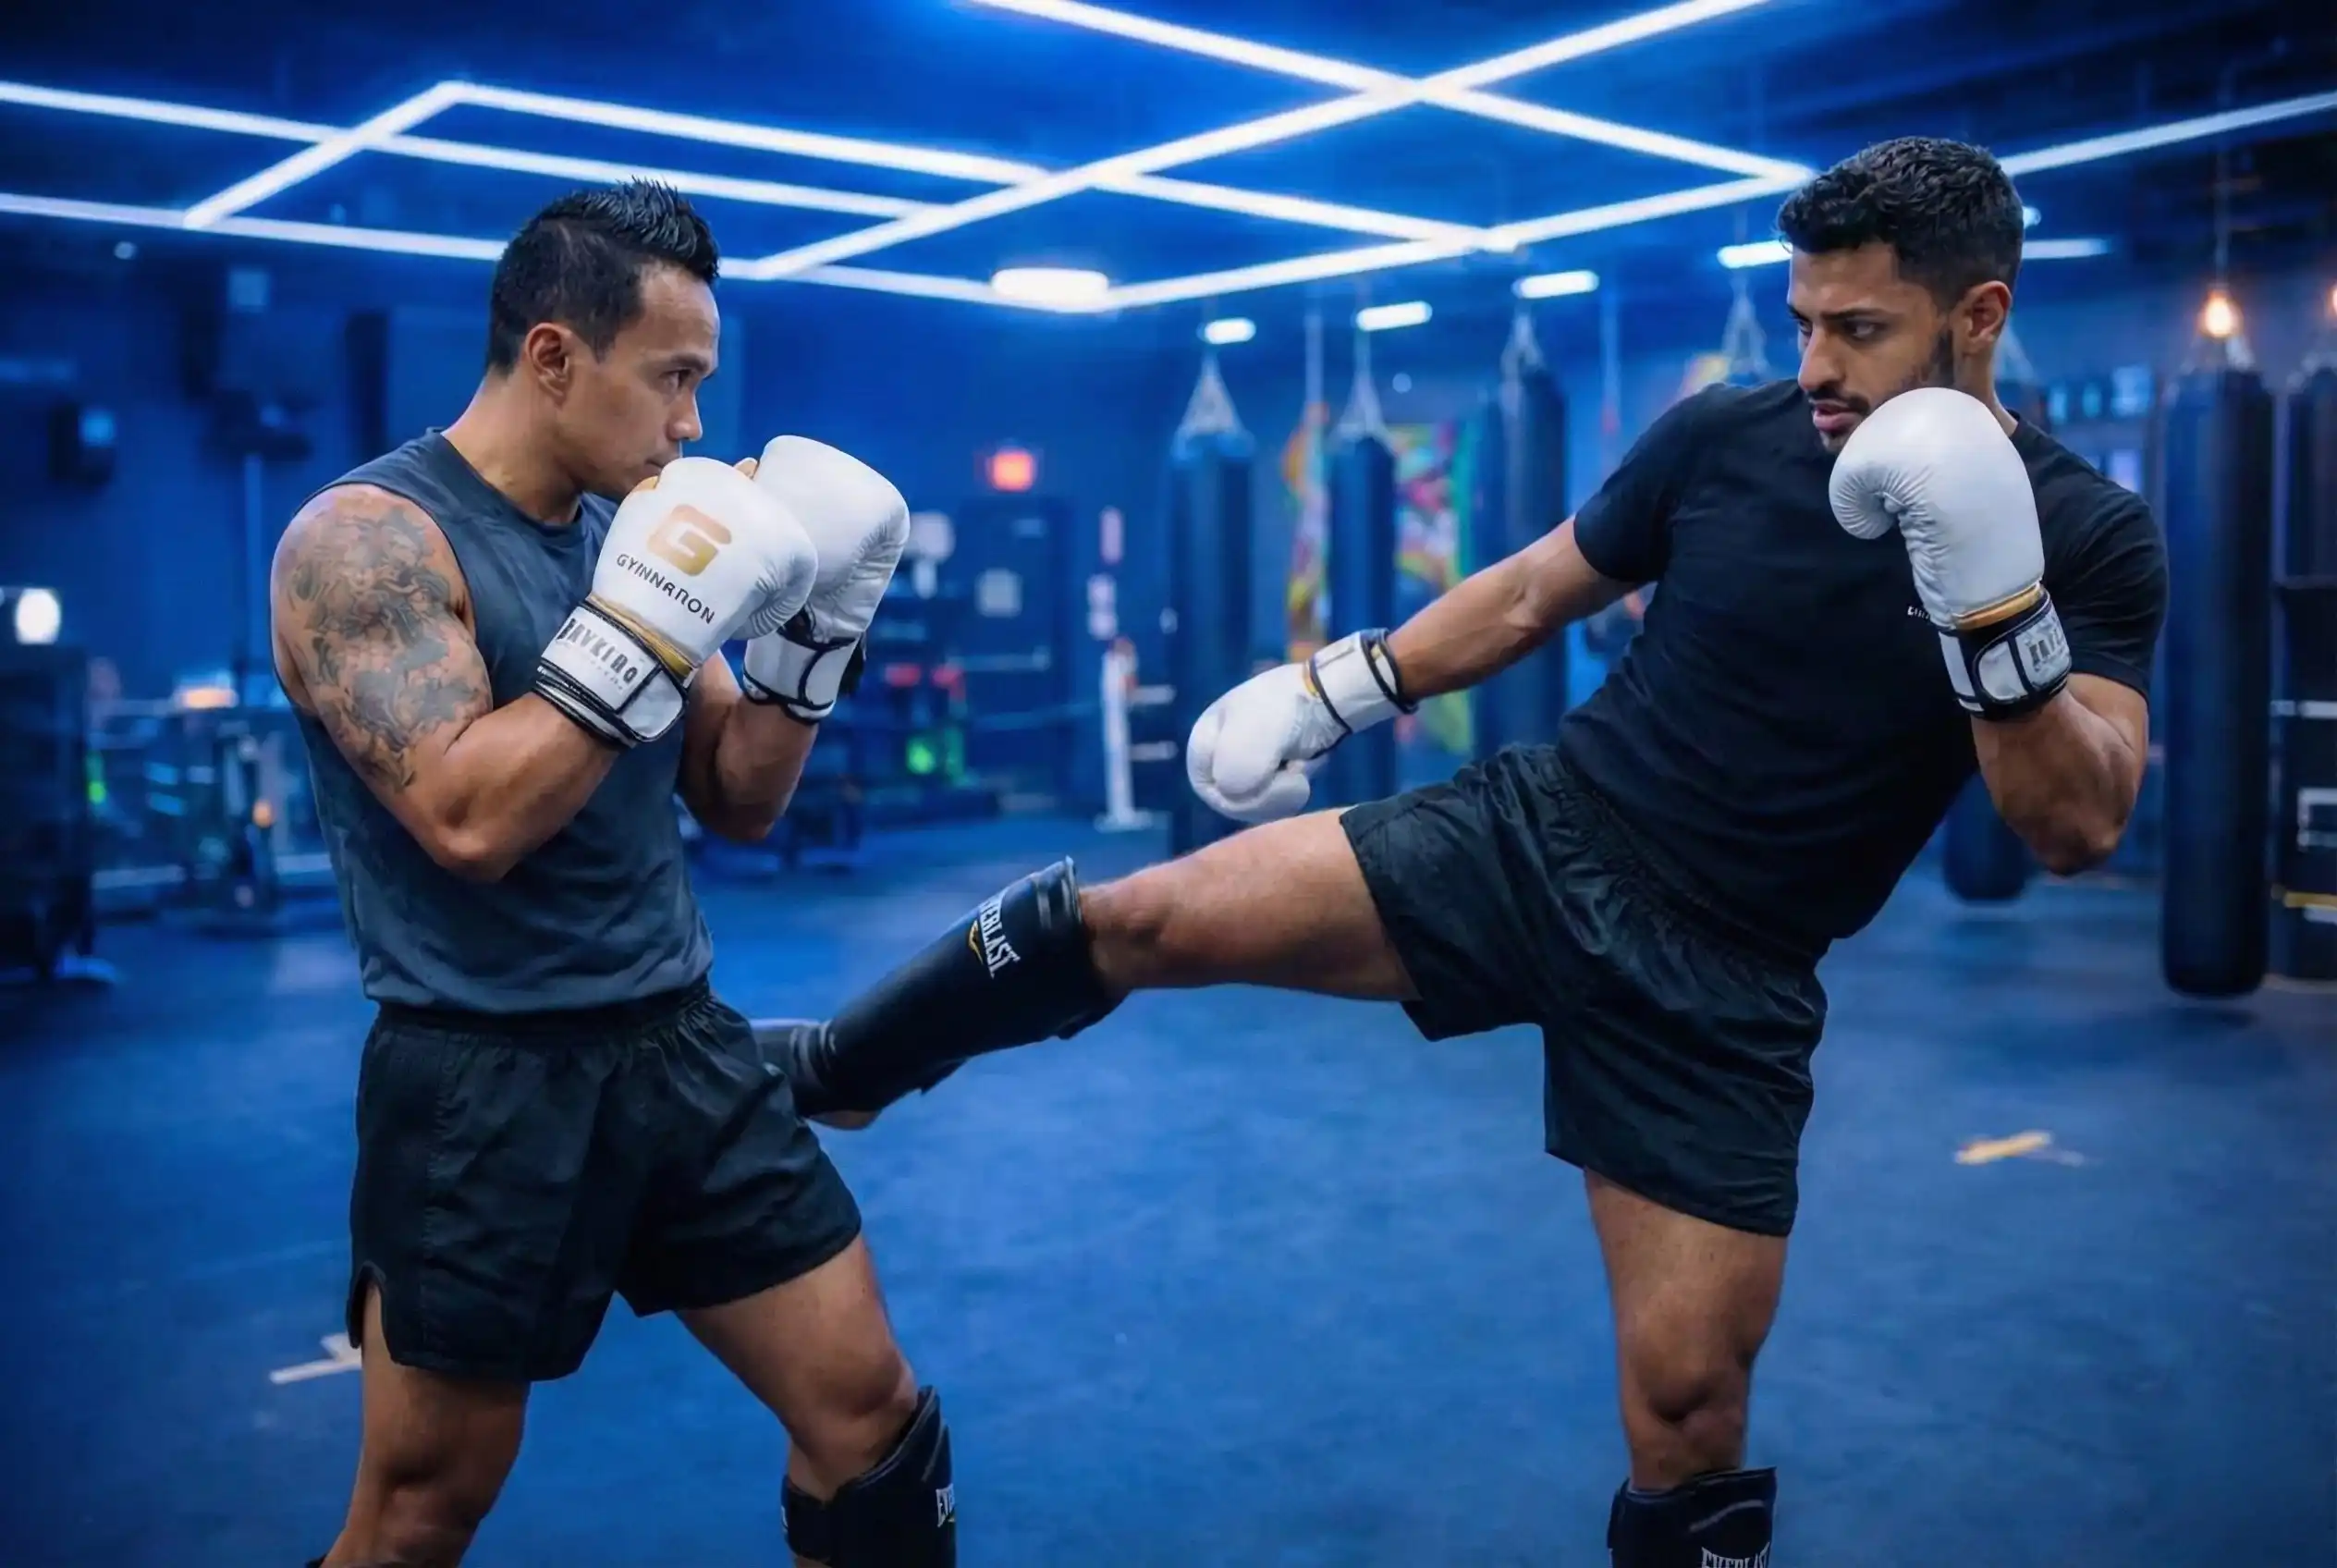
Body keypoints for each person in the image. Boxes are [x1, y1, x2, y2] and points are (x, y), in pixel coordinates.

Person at [763, 138, 2168, 1566]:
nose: (1816, 365)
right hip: (1543, 833)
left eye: (1858, 329)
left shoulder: (2086, 537)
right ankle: (844, 1067)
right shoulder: (1726, 437)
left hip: (1725, 983)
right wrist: (1334, 689)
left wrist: (1995, 608)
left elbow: (2078, 821)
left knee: (1688, 1413)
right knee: (1144, 917)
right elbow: (1532, 591)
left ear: (1978, 315)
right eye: (1805, 320)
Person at [270, 181, 953, 1568]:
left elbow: (738, 796)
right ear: (552, 357)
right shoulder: (365, 542)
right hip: (485, 1083)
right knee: (420, 1514)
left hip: (678, 1049)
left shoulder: (626, 533)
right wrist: (640, 623)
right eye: (672, 378)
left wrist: (813, 637)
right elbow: (468, 819)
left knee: (870, 1419)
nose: (693, 424)